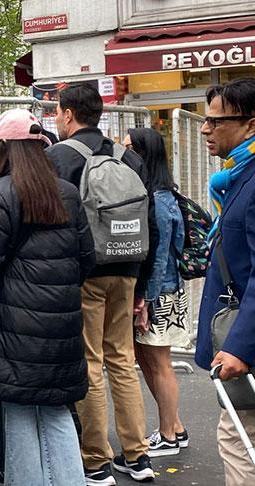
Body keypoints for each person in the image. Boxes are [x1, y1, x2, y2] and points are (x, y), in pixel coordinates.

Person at [0, 108, 95, 486]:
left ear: (5, 148)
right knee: (56, 412)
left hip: (14, 325)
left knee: (20, 413)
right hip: (62, 322)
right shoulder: (67, 193)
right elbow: (86, 258)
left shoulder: (1, 192)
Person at [46, 83, 156, 484]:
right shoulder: (129, 157)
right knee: (122, 360)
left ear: (69, 114)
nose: (56, 119)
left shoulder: (58, 157)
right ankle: (137, 455)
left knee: (90, 363)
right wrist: (141, 284)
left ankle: (96, 460)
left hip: (85, 273)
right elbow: (151, 221)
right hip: (128, 268)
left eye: (57, 113)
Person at [195, 78, 255, 485]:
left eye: (215, 122)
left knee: (238, 442)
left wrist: (239, 347)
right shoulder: (238, 177)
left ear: (250, 125)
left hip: (246, 352)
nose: (204, 129)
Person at [124, 127, 191, 458]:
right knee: (147, 358)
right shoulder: (160, 194)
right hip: (158, 291)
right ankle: (174, 427)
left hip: (159, 294)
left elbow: (160, 255)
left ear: (143, 153)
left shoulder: (160, 200)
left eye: (130, 149)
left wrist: (146, 301)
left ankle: (169, 434)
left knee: (160, 361)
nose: (124, 156)